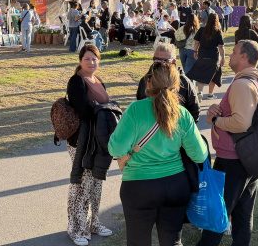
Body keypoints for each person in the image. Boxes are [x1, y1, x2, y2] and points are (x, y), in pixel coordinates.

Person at [109, 61, 208, 246]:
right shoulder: (182, 114)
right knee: (173, 241)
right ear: (177, 85)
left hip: (139, 186)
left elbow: (116, 149)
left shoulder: (135, 110)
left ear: (148, 82)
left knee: (138, 242)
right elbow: (199, 155)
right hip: (176, 185)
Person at [200, 40, 258, 246]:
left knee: (218, 213)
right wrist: (219, 110)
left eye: (233, 52)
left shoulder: (243, 84)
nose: (230, 56)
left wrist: (215, 120)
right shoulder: (255, 81)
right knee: (242, 216)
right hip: (248, 158)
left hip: (233, 160)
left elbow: (241, 123)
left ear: (244, 56)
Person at [66, 45, 116, 246]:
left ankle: (94, 223)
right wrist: (105, 109)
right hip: (81, 141)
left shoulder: (98, 80)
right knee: (81, 184)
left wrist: (105, 109)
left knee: (96, 183)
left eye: (94, 59)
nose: (91, 62)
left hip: (98, 140)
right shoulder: (76, 81)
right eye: (87, 59)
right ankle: (76, 228)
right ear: (80, 61)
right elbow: (83, 110)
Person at [135, 43, 200, 122]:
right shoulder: (146, 80)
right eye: (156, 60)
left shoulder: (184, 82)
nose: (160, 65)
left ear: (174, 61)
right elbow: (140, 103)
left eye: (165, 61)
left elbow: (194, 112)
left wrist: (183, 127)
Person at [187, 12, 224, 100]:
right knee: (213, 75)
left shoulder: (202, 30)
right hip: (213, 56)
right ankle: (210, 94)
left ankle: (200, 92)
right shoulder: (218, 32)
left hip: (202, 54)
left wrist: (195, 51)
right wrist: (223, 57)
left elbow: (196, 42)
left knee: (201, 73)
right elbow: (220, 47)